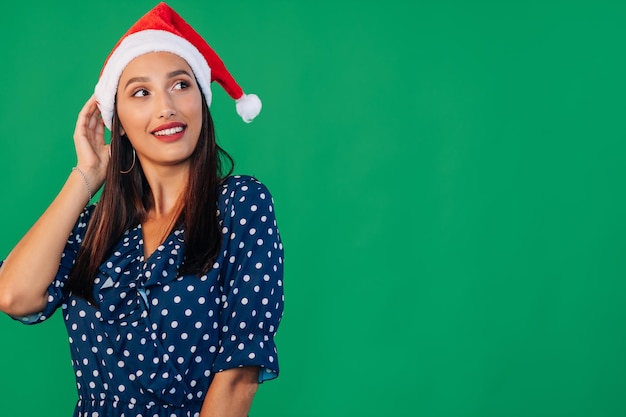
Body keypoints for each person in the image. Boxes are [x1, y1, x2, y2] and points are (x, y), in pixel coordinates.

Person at [0, 3, 284, 417]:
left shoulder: (241, 204)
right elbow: (14, 295)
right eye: (140, 92)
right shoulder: (93, 230)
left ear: (202, 100)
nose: (165, 107)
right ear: (118, 120)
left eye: (181, 85)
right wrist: (86, 175)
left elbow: (238, 378)